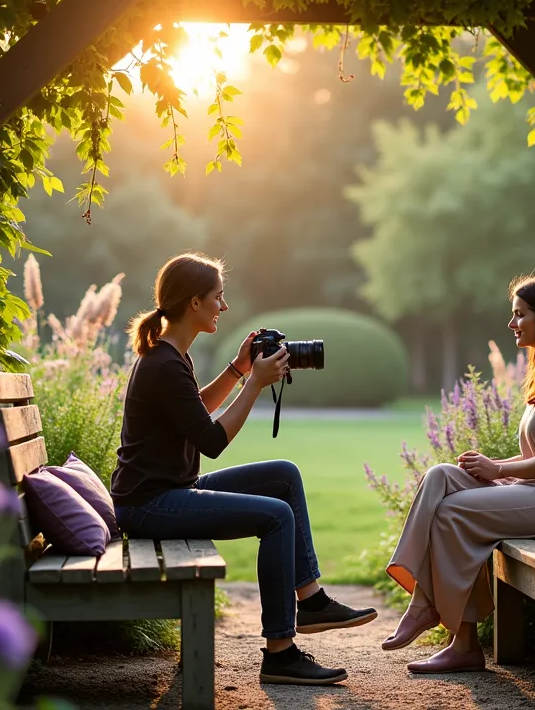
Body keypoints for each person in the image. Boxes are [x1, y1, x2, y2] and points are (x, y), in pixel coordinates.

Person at [111, 252, 377, 686]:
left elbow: (195, 412)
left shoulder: (171, 357)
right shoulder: (162, 364)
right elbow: (212, 442)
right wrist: (254, 382)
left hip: (168, 491)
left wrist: (238, 369)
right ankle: (280, 653)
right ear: (193, 303)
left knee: (283, 476)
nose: (224, 306)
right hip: (149, 506)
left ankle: (310, 601)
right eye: (218, 297)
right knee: (275, 516)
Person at [381, 273, 535, 673]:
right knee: (440, 477)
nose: (511, 323)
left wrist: (497, 468)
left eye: (520, 315)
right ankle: (427, 606)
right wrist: (501, 475)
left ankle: (458, 639)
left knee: (452, 513)